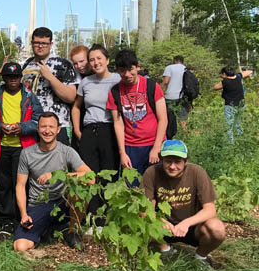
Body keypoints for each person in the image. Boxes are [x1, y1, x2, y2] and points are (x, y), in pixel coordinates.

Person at [13, 113, 92, 253]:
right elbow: (20, 185)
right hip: (39, 204)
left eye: (51, 127)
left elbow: (90, 177)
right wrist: (24, 214)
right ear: (38, 129)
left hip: (63, 202)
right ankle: (49, 230)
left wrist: (56, 176)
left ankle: (73, 231)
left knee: (81, 185)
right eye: (43, 126)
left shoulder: (66, 151)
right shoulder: (27, 153)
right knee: (20, 247)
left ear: (58, 130)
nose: (47, 130)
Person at [143, 140, 225, 266]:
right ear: (161, 159)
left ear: (185, 161)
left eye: (177, 162)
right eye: (168, 161)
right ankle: (165, 249)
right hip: (163, 227)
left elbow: (210, 210)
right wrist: (159, 220)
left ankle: (200, 257)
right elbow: (145, 209)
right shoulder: (151, 172)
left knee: (217, 228)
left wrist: (186, 223)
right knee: (140, 220)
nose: (172, 166)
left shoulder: (197, 172)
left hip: (192, 227)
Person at [0, 62, 42, 235]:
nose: (13, 80)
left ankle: (22, 217)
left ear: (21, 78)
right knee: (4, 184)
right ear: (3, 78)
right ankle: (6, 220)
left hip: (23, 147)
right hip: (1, 146)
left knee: (21, 184)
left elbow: (38, 119)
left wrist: (22, 127)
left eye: (16, 77)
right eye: (9, 77)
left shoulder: (29, 96)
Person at [107, 49, 168, 181]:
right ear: (117, 70)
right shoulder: (115, 92)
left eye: (131, 69)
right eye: (123, 70)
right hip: (131, 147)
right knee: (132, 188)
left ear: (138, 67)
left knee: (157, 186)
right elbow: (118, 123)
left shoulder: (152, 86)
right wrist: (122, 153)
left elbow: (163, 119)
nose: (127, 74)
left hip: (154, 143)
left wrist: (156, 148)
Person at [21, 27, 81, 145]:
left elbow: (70, 97)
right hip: (30, 125)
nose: (40, 46)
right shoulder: (27, 64)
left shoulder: (62, 64)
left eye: (44, 43)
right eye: (37, 43)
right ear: (32, 43)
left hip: (56, 127)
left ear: (51, 44)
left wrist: (50, 77)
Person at [72, 44, 120, 172]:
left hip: (110, 131)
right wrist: (77, 131)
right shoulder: (86, 82)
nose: (96, 63)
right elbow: (76, 107)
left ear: (107, 60)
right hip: (89, 130)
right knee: (88, 174)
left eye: (99, 58)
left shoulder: (118, 80)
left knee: (110, 173)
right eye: (92, 60)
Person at [213, 66, 253, 143]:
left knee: (229, 126)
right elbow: (249, 72)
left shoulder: (225, 82)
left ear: (224, 74)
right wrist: (238, 75)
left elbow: (215, 87)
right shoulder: (238, 77)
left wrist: (224, 79)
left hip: (230, 106)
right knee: (238, 123)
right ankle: (241, 140)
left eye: (222, 74)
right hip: (241, 105)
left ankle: (230, 143)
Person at [163, 55, 189, 130]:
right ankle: (185, 137)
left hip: (170, 97)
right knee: (183, 120)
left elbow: (166, 82)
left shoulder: (169, 67)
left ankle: (169, 137)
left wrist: (161, 93)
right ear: (182, 61)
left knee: (168, 119)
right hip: (183, 97)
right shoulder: (186, 69)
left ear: (175, 60)